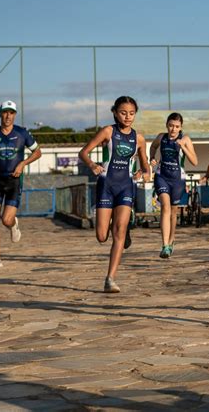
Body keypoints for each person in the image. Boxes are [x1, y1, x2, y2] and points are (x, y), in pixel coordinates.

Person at [79, 96, 150, 293]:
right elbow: (83, 152)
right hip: (106, 185)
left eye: (132, 113)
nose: (127, 117)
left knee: (118, 231)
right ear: (115, 112)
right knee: (102, 236)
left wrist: (143, 173)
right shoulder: (108, 132)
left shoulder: (139, 138)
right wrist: (92, 164)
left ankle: (110, 278)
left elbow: (145, 163)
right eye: (123, 112)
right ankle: (120, 226)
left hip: (126, 186)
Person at [0, 100, 42, 269]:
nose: (8, 116)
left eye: (11, 113)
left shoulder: (22, 133)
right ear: (0, 114)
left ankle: (12, 224)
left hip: (14, 181)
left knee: (5, 220)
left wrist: (23, 164)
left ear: (15, 115)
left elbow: (38, 152)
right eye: (5, 112)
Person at [150, 112, 198, 258]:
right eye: (171, 125)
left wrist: (183, 146)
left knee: (173, 212)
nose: (173, 129)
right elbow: (153, 147)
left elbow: (195, 161)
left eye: (177, 126)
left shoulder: (185, 139)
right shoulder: (161, 137)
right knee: (165, 206)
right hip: (162, 176)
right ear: (167, 125)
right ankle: (164, 245)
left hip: (178, 179)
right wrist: (152, 158)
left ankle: (171, 241)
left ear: (181, 127)